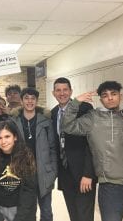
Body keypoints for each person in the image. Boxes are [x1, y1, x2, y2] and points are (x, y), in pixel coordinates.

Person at [62, 81, 123, 221]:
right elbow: (68, 126)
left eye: (114, 94)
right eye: (105, 95)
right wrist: (75, 102)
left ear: (121, 96)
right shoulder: (92, 118)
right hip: (110, 188)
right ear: (101, 99)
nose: (110, 98)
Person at [51, 77, 97, 221]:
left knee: (84, 216)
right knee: (74, 215)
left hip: (83, 173)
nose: (62, 93)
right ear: (53, 93)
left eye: (65, 90)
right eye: (58, 90)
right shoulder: (53, 113)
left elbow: (92, 143)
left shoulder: (85, 108)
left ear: (71, 91)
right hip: (65, 173)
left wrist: (88, 174)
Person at [10, 87, 57, 221]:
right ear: (21, 100)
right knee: (26, 212)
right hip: (22, 173)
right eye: (26, 98)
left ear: (36, 101)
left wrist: (52, 172)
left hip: (43, 174)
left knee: (46, 212)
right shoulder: (14, 121)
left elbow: (53, 148)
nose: (30, 101)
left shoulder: (45, 121)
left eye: (33, 99)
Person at [0, 120, 37, 221]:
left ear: (15, 137)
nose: (3, 142)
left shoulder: (26, 156)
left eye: (7, 136)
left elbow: (30, 190)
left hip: (21, 211)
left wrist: (19, 218)